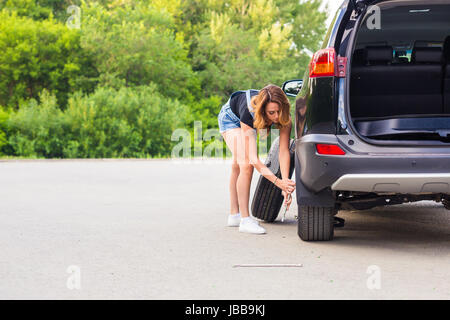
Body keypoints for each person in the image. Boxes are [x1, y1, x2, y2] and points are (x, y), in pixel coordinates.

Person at [217, 84, 296, 234]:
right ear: (263, 110)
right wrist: (278, 183)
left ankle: (234, 215)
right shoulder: (250, 112)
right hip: (230, 118)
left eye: (279, 111)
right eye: (272, 113)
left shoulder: (283, 116)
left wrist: (286, 184)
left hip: (246, 118)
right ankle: (245, 220)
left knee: (238, 165)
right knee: (246, 164)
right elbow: (254, 159)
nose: (277, 117)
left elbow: (284, 150)